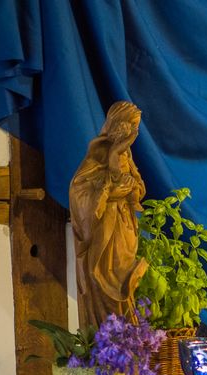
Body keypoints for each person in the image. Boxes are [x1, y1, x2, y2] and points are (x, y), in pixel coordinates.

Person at [69, 100, 147, 326]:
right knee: (104, 278)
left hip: (124, 227)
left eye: (136, 128)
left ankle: (127, 336)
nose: (134, 133)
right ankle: (108, 336)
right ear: (118, 124)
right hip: (105, 230)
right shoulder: (98, 155)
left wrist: (132, 187)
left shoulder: (126, 155)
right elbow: (79, 192)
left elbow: (138, 187)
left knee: (125, 279)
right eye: (132, 126)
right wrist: (109, 191)